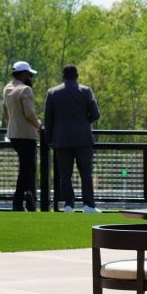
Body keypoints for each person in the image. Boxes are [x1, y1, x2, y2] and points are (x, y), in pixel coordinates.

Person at [45, 65, 102, 213]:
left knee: (65, 175)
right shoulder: (86, 91)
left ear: (62, 76)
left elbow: (48, 119)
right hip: (83, 138)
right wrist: (84, 122)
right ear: (77, 76)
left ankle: (68, 205)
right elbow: (96, 114)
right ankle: (88, 205)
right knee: (85, 173)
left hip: (61, 139)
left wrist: (49, 139)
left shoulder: (52, 93)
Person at [2, 61, 42, 211]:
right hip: (27, 135)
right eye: (30, 74)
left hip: (13, 133)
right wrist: (39, 125)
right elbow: (30, 113)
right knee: (27, 168)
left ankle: (29, 198)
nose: (31, 77)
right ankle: (19, 201)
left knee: (28, 168)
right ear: (24, 74)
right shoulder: (25, 90)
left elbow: (5, 112)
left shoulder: (7, 88)